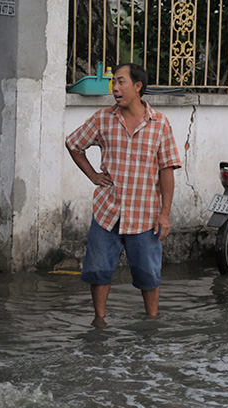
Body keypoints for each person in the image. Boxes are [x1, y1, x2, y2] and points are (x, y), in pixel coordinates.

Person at [66, 63, 182, 325]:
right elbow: (73, 144)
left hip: (145, 215)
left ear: (138, 86)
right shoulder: (102, 118)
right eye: (113, 83)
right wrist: (93, 175)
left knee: (149, 274)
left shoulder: (160, 123)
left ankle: (151, 322)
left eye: (120, 82)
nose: (115, 88)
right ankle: (99, 321)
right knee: (98, 270)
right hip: (108, 211)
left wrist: (165, 214)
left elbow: (166, 170)